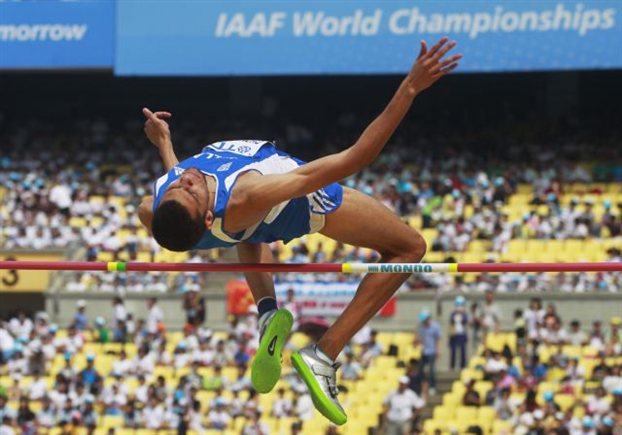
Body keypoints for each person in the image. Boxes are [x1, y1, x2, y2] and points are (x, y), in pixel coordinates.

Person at [137, 37, 461, 425]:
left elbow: (177, 188)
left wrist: (166, 145)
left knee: (241, 231)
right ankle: (323, 354)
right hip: (300, 204)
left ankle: (267, 313)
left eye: (178, 184)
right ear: (207, 216)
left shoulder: (155, 207)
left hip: (233, 226)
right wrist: (409, 88)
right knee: (410, 247)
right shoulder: (247, 194)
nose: (185, 179)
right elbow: (355, 158)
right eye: (189, 189)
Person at [415, 310, 441, 395]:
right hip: (424, 351)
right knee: (420, 368)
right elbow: (419, 338)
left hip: (432, 351)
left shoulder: (435, 326)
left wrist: (438, 349)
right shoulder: (421, 327)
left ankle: (432, 387)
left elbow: (437, 339)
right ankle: (422, 385)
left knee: (431, 370)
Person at [448, 295, 469, 370]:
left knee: (462, 351)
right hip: (454, 334)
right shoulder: (453, 314)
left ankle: (463, 366)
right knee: (453, 351)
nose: (459, 307)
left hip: (462, 334)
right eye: (458, 305)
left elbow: (467, 323)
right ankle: (452, 366)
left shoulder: (465, 314)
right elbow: (451, 323)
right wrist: (451, 332)